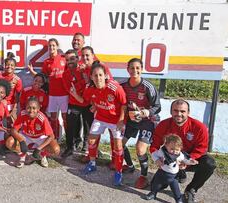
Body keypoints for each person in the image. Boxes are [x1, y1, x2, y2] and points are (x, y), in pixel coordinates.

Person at [70, 62, 127, 186]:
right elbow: (85, 101)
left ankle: (118, 171)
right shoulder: (90, 88)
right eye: (95, 75)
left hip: (116, 120)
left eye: (100, 75)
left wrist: (121, 120)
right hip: (100, 118)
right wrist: (75, 94)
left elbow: (124, 104)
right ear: (91, 77)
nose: (98, 78)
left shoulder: (115, 87)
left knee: (118, 146)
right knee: (91, 141)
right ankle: (92, 164)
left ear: (105, 75)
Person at [150, 99, 216, 203]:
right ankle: (179, 174)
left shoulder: (199, 127)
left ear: (188, 112)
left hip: (190, 158)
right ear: (171, 111)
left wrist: (187, 160)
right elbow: (154, 145)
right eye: (175, 111)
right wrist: (157, 159)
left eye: (183, 111)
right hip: (171, 160)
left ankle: (191, 189)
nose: (179, 114)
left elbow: (202, 148)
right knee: (155, 187)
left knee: (209, 164)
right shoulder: (163, 125)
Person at [119, 58, 161, 189]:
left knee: (140, 149)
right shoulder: (123, 86)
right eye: (132, 68)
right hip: (132, 120)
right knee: (120, 144)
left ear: (141, 69)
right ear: (127, 69)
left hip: (147, 121)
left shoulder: (148, 86)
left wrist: (146, 112)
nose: (135, 70)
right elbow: (119, 103)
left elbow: (157, 107)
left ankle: (143, 176)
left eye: (137, 68)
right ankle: (130, 166)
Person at [28, 38, 68, 140]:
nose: (52, 47)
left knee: (65, 118)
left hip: (64, 94)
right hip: (52, 95)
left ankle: (69, 140)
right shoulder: (46, 62)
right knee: (53, 118)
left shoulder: (64, 59)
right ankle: (54, 138)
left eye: (53, 45)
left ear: (57, 47)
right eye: (50, 46)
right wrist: (32, 72)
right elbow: (42, 77)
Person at [6, 97, 60, 168]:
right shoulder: (23, 114)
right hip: (26, 136)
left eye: (34, 108)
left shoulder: (42, 118)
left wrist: (39, 149)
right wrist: (21, 141)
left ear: (38, 109)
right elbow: (13, 130)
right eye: (28, 107)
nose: (31, 110)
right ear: (25, 107)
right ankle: (23, 156)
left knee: (56, 150)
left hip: (40, 137)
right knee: (9, 142)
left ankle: (42, 155)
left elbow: (51, 136)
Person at [145, 134, 198, 203]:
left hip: (173, 176)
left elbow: (185, 160)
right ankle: (153, 193)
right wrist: (157, 160)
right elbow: (154, 154)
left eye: (177, 149)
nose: (174, 151)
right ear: (166, 146)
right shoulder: (162, 152)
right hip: (162, 172)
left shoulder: (180, 155)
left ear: (180, 148)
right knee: (156, 184)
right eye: (172, 149)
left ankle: (178, 199)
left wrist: (191, 161)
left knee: (176, 189)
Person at [61, 49, 94, 157]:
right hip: (74, 102)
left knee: (88, 125)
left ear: (77, 58)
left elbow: (90, 85)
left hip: (87, 102)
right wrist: (82, 82)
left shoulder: (84, 69)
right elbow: (69, 89)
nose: (69, 61)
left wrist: (80, 86)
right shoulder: (65, 74)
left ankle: (86, 146)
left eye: (72, 59)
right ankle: (70, 147)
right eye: (67, 60)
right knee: (70, 126)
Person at [0, 52, 23, 125]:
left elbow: (17, 96)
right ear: (4, 65)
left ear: (15, 67)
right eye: (7, 65)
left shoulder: (17, 80)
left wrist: (14, 109)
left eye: (12, 65)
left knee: (13, 125)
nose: (9, 67)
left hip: (10, 105)